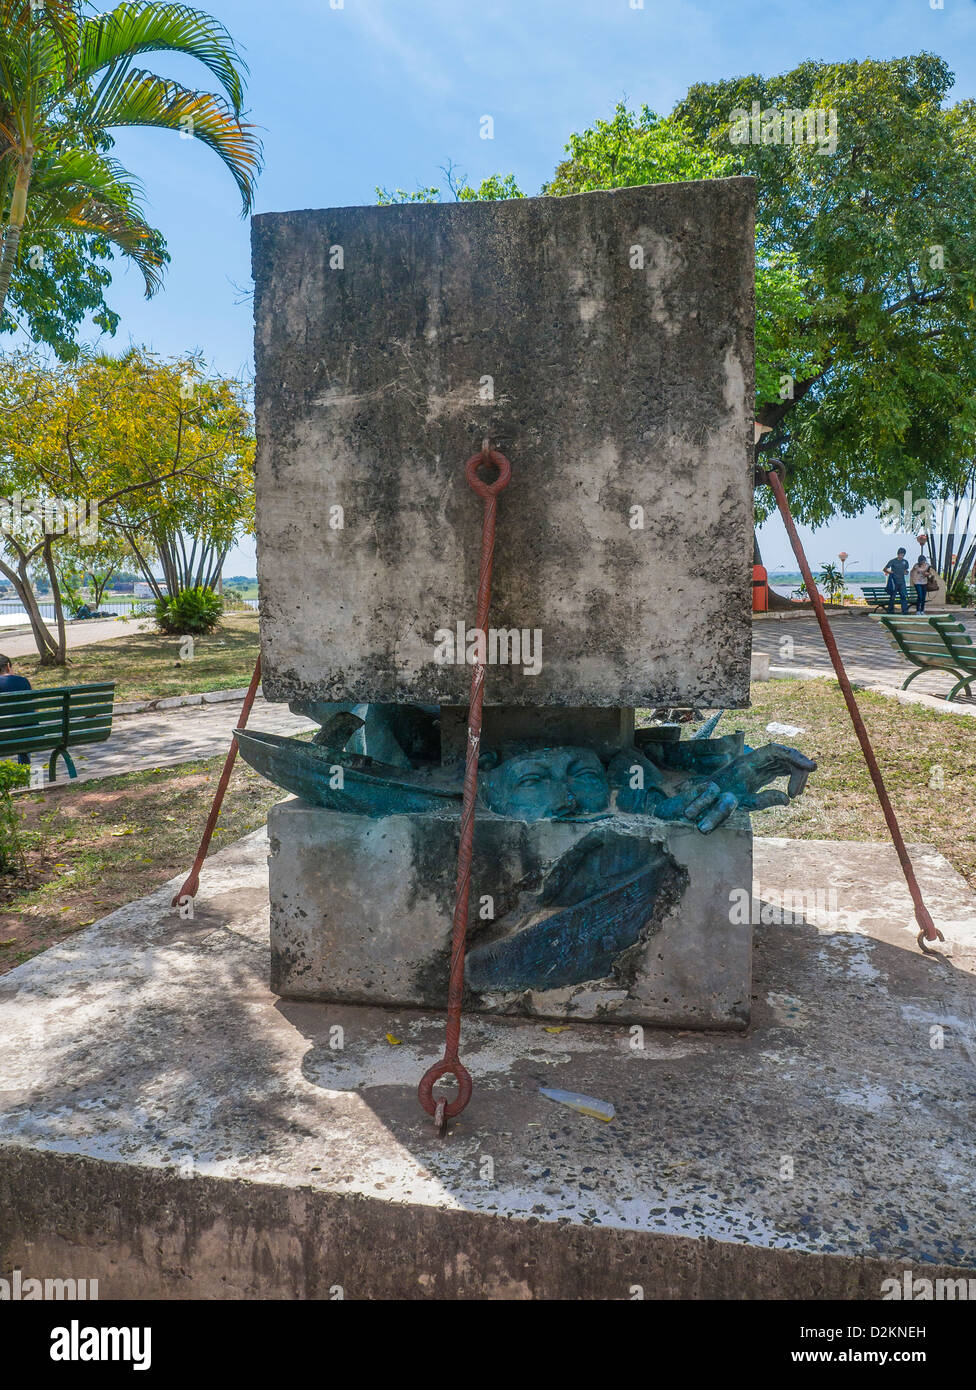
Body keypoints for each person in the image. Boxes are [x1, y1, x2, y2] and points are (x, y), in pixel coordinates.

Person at [0, 654, 32, 765]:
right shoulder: (23, 681)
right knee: (23, 729)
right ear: (8, 666)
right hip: (29, 734)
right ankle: (25, 769)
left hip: (2, 737)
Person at [883, 548, 911, 614]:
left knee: (903, 597)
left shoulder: (905, 562)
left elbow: (906, 571)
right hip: (894, 582)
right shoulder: (892, 561)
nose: (901, 556)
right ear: (898, 554)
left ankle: (904, 611)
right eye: (900, 554)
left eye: (902, 555)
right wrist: (890, 572)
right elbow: (885, 569)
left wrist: (906, 572)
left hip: (902, 582)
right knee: (893, 597)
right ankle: (890, 611)